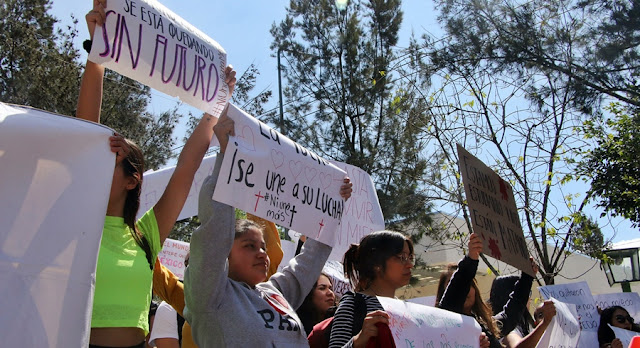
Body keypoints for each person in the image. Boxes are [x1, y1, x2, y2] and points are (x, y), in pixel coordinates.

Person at [79, 1, 236, 346]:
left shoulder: (147, 234)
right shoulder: (79, 224)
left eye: (109, 161)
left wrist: (217, 104)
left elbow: (187, 166)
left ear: (132, 179)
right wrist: (98, 54)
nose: (95, 166)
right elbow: (84, 130)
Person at [183, 112, 353, 347]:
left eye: (262, 246)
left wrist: (333, 204)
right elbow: (214, 230)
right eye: (249, 246)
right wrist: (226, 155)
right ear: (224, 253)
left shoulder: (275, 293)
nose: (262, 253)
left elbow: (311, 260)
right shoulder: (210, 295)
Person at [436, 233, 534, 348]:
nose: (466, 290)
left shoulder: (487, 326)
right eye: (451, 285)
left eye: (470, 285)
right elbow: (459, 283)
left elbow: (512, 312)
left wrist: (527, 277)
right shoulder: (443, 328)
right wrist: (471, 258)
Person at [328, 231, 415, 348]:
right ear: (377, 264)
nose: (410, 264)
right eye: (402, 257)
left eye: (410, 257)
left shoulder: (406, 309)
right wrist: (358, 341)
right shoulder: (353, 304)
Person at [490, 275, 557, 348]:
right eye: (526, 294)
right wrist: (545, 323)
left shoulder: (524, 326)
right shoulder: (508, 329)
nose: (529, 299)